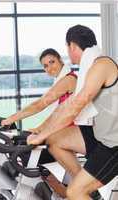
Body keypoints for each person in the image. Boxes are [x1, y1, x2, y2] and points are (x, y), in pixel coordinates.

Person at [27, 24, 118, 200]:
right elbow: (66, 106)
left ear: (72, 46)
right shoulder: (91, 67)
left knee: (74, 192)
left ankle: (82, 189)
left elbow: (78, 103)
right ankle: (88, 187)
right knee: (54, 140)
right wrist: (42, 131)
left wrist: (40, 135)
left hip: (113, 143)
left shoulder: (101, 65)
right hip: (100, 134)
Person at [1, 48, 77, 130]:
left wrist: (11, 119)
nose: (50, 68)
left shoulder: (68, 79)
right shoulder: (61, 79)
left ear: (60, 60)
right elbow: (56, 113)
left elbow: (39, 104)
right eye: (46, 66)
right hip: (63, 127)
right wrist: (39, 129)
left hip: (72, 130)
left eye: (52, 62)